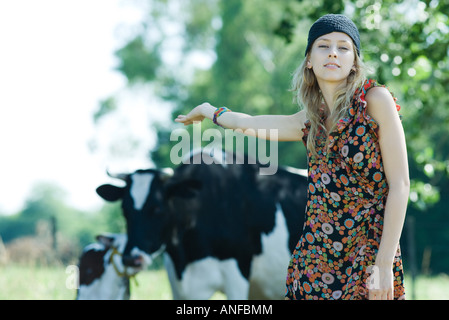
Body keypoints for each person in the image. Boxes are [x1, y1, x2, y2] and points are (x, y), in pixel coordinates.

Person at [175, 14, 409, 300]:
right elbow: (251, 123)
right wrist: (211, 110)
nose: (333, 52)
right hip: (315, 260)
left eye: (343, 47)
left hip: (369, 253)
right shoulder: (311, 120)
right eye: (323, 46)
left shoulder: (375, 101)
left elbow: (400, 185)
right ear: (309, 59)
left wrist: (383, 263)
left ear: (354, 63)